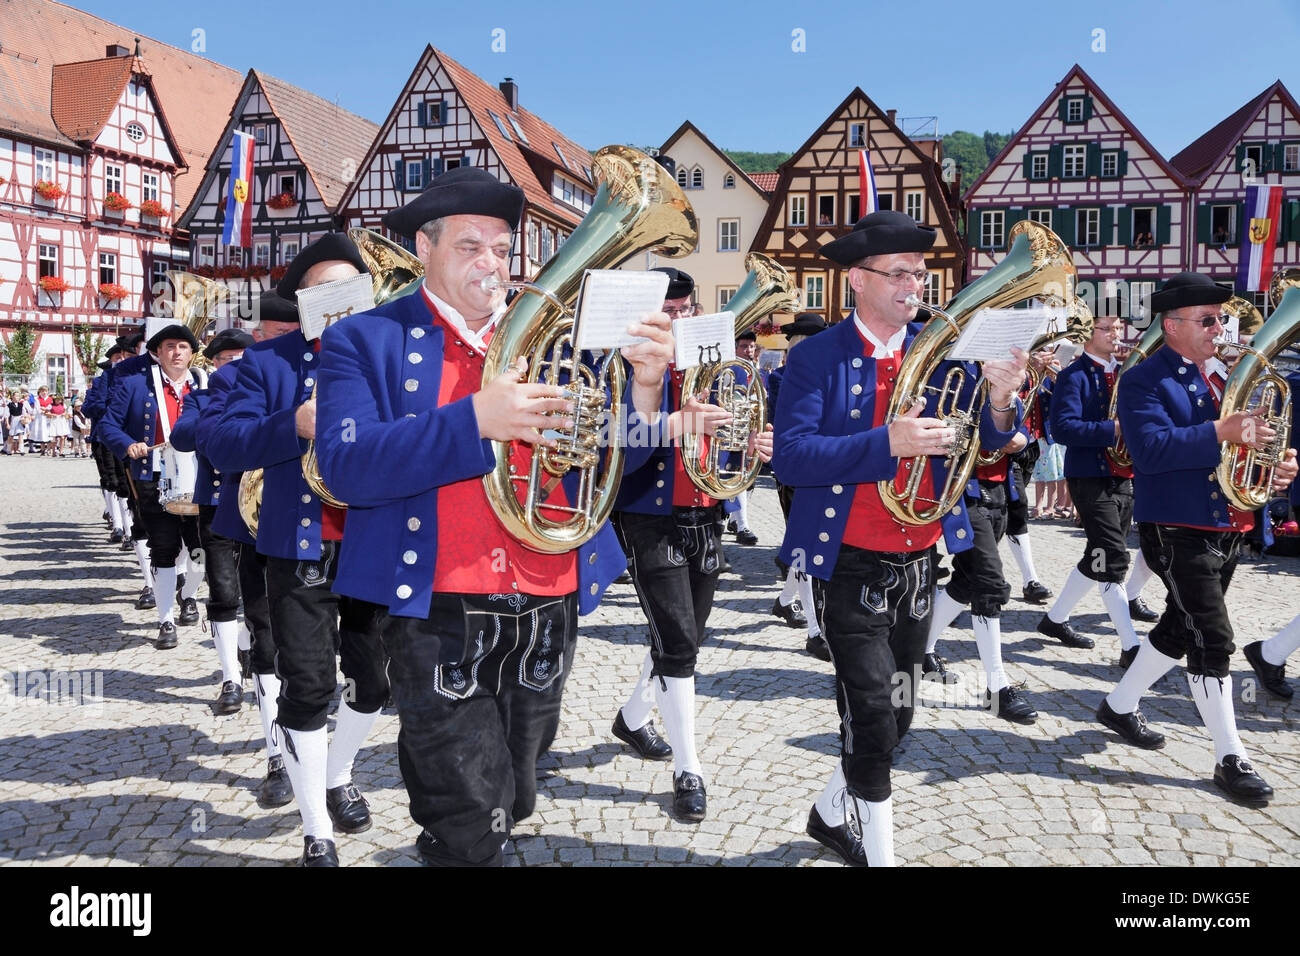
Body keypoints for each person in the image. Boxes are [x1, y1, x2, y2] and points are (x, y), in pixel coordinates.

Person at [315, 166, 675, 866]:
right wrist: (477, 419)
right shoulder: (362, 340)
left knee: (519, 786)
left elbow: (609, 468)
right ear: (425, 247)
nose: (492, 264)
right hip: (438, 601)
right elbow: (345, 466)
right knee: (470, 806)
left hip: (546, 594)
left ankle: (452, 835)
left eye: (502, 250)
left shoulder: (558, 343)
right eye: (470, 246)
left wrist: (648, 387)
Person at [773, 210, 1027, 865]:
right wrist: (886, 442)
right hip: (847, 561)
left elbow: (991, 441)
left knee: (900, 712)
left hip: (919, 558)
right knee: (874, 713)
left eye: (920, 273)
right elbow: (793, 459)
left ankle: (831, 814)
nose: (915, 285)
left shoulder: (943, 352)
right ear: (857, 279)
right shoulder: (815, 357)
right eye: (899, 274)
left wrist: (1001, 399)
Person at [209, 237, 391, 867]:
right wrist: (293, 424)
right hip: (300, 546)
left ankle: (338, 773)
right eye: (323, 291)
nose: (338, 304)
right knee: (309, 687)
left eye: (349, 288)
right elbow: (221, 444)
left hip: (374, 542)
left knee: (374, 681)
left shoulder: (392, 356)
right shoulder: (269, 362)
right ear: (304, 300)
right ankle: (318, 825)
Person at [1099, 272, 1298, 807]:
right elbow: (1150, 450)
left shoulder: (1225, 376)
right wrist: (1220, 431)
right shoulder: (1144, 380)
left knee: (1180, 626)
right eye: (1209, 320)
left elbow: (1244, 450)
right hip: (1177, 525)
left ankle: (1119, 705)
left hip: (1227, 523)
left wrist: (1275, 467)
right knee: (1214, 637)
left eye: (1222, 318)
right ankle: (1231, 757)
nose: (1220, 328)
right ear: (1173, 325)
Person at [609, 266, 773, 824]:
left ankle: (633, 717)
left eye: (684, 311)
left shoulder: (717, 362)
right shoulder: (623, 359)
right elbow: (619, 446)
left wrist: (750, 438)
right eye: (668, 312)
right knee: (679, 639)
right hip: (647, 515)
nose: (677, 322)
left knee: (685, 638)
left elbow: (730, 438)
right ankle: (689, 766)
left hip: (705, 510)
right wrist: (669, 420)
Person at [197, 292, 303, 809]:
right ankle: (277, 755)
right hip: (262, 524)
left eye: (293, 335)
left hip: (333, 522)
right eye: (275, 337)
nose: (288, 348)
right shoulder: (231, 376)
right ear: (259, 336)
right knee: (268, 641)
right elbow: (207, 435)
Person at [1038, 314, 1145, 662]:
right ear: (1088, 334)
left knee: (1097, 554)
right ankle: (1130, 644)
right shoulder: (1074, 376)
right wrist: (1110, 429)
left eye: (1118, 328)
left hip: (1123, 475)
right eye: (1108, 329)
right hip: (1089, 475)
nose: (1116, 334)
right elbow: (1063, 428)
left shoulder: (1127, 374)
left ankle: (1055, 620)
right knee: (1113, 555)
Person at [99, 325, 206, 647]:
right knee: (164, 549)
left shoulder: (206, 384)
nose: (176, 352)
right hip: (152, 477)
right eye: (169, 346)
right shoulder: (134, 385)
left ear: (192, 353)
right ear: (157, 353)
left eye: (183, 346)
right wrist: (127, 444)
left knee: (200, 551)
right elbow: (107, 424)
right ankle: (166, 619)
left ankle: (188, 594)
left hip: (198, 477)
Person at [923, 423, 1039, 723]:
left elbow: (1021, 426)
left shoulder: (1003, 384)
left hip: (1000, 489)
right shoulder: (957, 377)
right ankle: (996, 687)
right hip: (963, 490)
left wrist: (1020, 438)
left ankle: (922, 648)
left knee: (967, 580)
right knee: (989, 584)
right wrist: (999, 435)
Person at [170, 328, 256, 715]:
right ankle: (230, 678)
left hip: (263, 506)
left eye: (242, 359)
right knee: (223, 591)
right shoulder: (201, 399)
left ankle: (249, 647)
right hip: (219, 504)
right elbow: (181, 436)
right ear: (213, 365)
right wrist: (215, 417)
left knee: (259, 592)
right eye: (226, 360)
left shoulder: (265, 395)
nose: (234, 367)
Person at [769, 312, 829, 659]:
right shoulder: (780, 378)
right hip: (796, 468)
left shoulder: (828, 374)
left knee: (803, 542)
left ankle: (784, 601)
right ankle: (815, 628)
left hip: (825, 468)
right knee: (806, 544)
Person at [724, 328, 761, 546]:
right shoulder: (729, 370)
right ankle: (741, 524)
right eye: (743, 346)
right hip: (730, 431)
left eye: (751, 347)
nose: (748, 351)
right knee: (734, 477)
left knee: (744, 479)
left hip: (748, 431)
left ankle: (739, 522)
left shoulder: (755, 372)